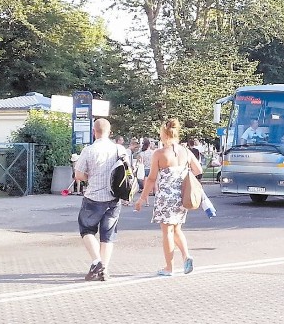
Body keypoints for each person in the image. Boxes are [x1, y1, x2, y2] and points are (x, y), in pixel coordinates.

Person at [134, 118, 203, 276]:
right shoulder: (186, 152)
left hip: (165, 196)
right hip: (181, 195)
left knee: (167, 232)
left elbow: (151, 179)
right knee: (177, 228)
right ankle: (186, 257)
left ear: (164, 134)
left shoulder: (159, 153)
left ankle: (169, 267)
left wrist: (142, 198)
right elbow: (198, 170)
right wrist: (183, 174)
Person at [74, 118, 127, 282]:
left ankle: (97, 262)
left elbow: (78, 175)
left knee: (86, 229)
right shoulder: (119, 149)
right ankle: (104, 270)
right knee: (108, 235)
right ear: (110, 132)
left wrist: (91, 176)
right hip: (114, 198)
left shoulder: (88, 150)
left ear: (93, 131)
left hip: (93, 198)